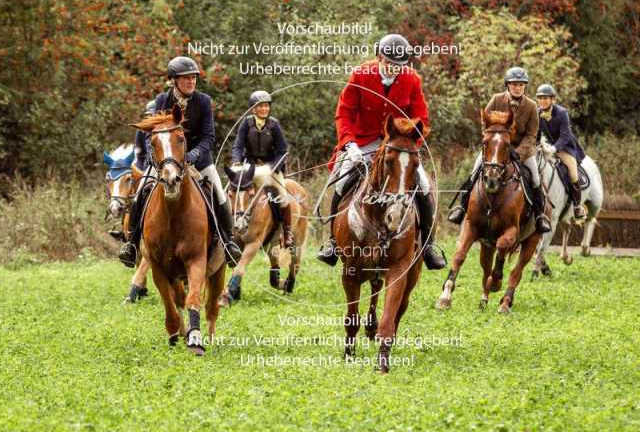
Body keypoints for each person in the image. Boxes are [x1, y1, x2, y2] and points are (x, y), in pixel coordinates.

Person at [316, 33, 446, 270]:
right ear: (379, 57)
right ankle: (333, 242)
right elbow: (344, 112)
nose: (394, 69)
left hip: (398, 144)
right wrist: (349, 144)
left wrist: (409, 143)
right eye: (389, 64)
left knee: (424, 186)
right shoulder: (359, 74)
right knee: (340, 180)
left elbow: (422, 120)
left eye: (399, 66)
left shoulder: (412, 79)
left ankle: (428, 245)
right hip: (363, 141)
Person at [118, 56, 242, 268]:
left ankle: (228, 241)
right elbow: (151, 135)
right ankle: (131, 243)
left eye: (193, 78)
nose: (191, 82)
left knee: (219, 192)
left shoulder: (203, 101)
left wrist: (193, 155)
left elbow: (208, 137)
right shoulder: (161, 101)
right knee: (141, 192)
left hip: (199, 160)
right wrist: (150, 153)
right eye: (186, 78)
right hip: (167, 160)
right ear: (174, 80)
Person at [447, 66, 552, 234]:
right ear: (507, 85)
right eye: (514, 84)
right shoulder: (496, 99)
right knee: (474, 172)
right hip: (496, 148)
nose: (517, 87)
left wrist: (518, 152)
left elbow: (532, 135)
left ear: (525, 86)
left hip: (522, 152)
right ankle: (461, 207)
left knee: (535, 179)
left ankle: (539, 216)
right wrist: (493, 138)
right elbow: (485, 122)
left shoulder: (532, 107)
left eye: (520, 84)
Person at [230, 90, 295, 246]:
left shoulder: (274, 124)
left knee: (283, 196)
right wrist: (236, 161)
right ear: (253, 109)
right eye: (260, 106)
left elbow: (282, 151)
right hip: (249, 166)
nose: (264, 109)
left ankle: (287, 232)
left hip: (270, 167)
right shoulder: (246, 123)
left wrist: (274, 167)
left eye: (266, 106)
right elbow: (238, 145)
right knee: (231, 189)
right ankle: (228, 232)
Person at [536, 83, 587, 220]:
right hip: (545, 146)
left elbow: (565, 136)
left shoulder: (562, 113)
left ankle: (577, 206)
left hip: (564, 147)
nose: (543, 101)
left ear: (553, 100)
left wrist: (554, 148)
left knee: (573, 173)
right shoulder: (536, 112)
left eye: (546, 98)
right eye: (540, 98)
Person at [133, 100, 156, 172]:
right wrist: (141, 171)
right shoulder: (141, 130)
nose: (152, 117)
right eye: (150, 115)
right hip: (147, 165)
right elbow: (139, 154)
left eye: (154, 114)